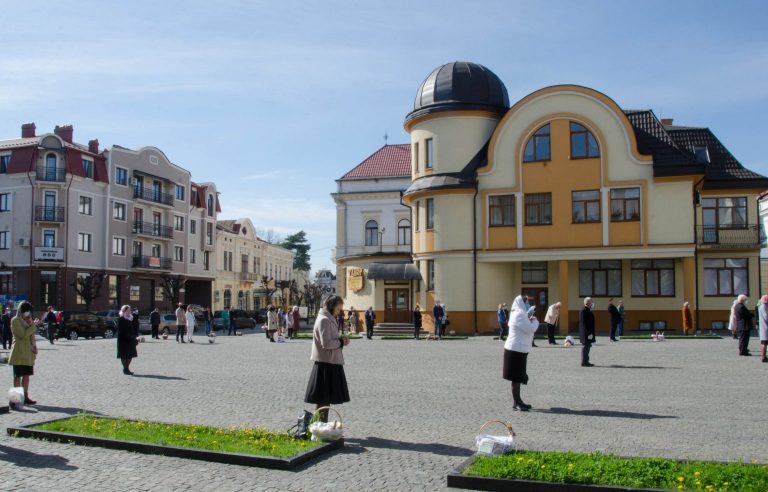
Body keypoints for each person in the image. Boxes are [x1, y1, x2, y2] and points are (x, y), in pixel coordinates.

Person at [304, 295, 350, 422]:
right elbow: (326, 343)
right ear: (331, 306)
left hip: (330, 362)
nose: (339, 311)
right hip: (326, 364)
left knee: (325, 399)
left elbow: (330, 339)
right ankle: (319, 425)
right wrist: (340, 342)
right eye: (338, 308)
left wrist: (341, 339)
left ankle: (319, 424)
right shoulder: (324, 320)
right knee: (323, 399)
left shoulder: (328, 318)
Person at [503, 295, 539, 411]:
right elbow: (530, 329)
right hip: (515, 349)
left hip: (518, 348)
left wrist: (529, 318)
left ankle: (516, 401)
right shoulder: (518, 314)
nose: (527, 305)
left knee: (517, 377)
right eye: (526, 302)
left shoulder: (519, 313)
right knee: (516, 377)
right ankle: (518, 402)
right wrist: (535, 321)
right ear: (521, 303)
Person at [9, 301, 38, 405]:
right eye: (26, 312)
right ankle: (14, 399)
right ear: (21, 311)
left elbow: (31, 336)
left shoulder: (28, 320)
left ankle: (25, 397)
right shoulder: (15, 320)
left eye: (29, 312)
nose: (28, 314)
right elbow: (23, 335)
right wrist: (33, 326)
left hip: (28, 353)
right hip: (19, 352)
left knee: (26, 376)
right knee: (18, 376)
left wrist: (34, 347)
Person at [117, 305, 138, 375]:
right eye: (128, 310)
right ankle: (125, 369)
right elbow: (121, 331)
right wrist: (129, 336)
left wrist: (135, 337)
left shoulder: (131, 318)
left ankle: (126, 368)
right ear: (124, 311)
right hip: (123, 339)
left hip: (131, 339)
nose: (130, 311)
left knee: (130, 354)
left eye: (130, 310)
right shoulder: (121, 319)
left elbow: (134, 327)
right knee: (124, 355)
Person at [579, 297, 596, 367]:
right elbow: (584, 323)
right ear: (588, 303)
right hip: (586, 333)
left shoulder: (588, 310)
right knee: (586, 346)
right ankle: (584, 362)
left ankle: (586, 361)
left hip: (588, 332)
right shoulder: (584, 311)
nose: (592, 303)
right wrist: (589, 333)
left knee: (588, 346)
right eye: (591, 302)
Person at [759, 294, 768, 363]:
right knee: (764, 343)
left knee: (764, 342)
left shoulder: (761, 306)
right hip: (766, 328)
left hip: (763, 327)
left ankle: (763, 357)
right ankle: (763, 357)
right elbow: (766, 317)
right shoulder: (765, 306)